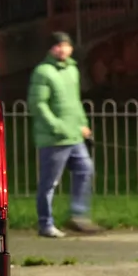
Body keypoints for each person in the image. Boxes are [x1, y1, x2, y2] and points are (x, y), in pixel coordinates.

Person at [28, 32, 102, 238]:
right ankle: (46, 224)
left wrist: (83, 124)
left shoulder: (72, 70)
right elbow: (37, 104)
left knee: (85, 169)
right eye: (58, 46)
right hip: (53, 138)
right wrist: (56, 126)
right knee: (49, 183)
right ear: (50, 49)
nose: (62, 49)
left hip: (74, 136)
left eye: (65, 45)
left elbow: (75, 101)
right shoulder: (43, 72)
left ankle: (78, 215)